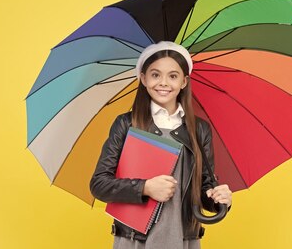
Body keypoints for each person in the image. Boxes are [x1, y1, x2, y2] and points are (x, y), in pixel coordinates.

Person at [90, 41, 232, 248]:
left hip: (183, 239)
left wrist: (218, 198)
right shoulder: (126, 124)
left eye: (173, 76)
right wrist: (145, 187)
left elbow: (203, 189)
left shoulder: (199, 129)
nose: (163, 82)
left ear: (184, 81)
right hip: (134, 240)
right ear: (143, 78)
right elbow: (99, 184)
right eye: (155, 75)